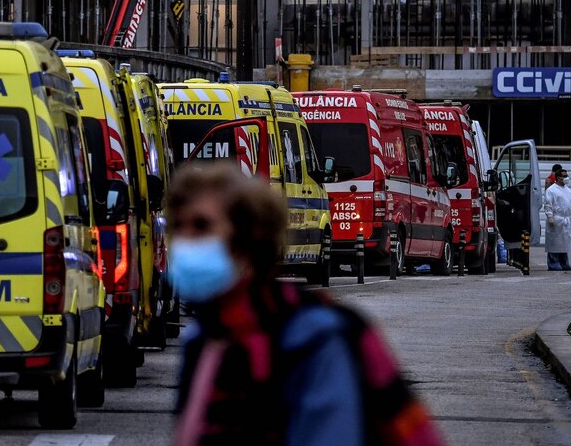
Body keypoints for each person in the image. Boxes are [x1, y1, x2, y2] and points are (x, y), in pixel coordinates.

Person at [166, 161, 444, 446]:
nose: (186, 240)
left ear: (249, 237)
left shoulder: (312, 335)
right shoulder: (204, 337)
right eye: (177, 226)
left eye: (202, 226)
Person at [543, 168, 571, 271]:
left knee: (564, 243)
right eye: (564, 176)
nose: (566, 178)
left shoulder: (568, 190)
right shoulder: (551, 190)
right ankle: (553, 263)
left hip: (566, 220)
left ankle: (564, 263)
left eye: (566, 175)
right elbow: (548, 204)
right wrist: (550, 216)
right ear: (558, 177)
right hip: (556, 219)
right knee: (554, 243)